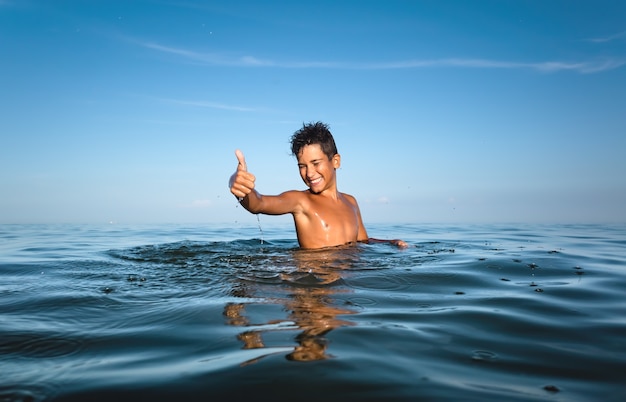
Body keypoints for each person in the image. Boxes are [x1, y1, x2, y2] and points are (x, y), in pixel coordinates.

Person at [229, 121, 408, 249]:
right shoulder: (300, 201)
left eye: (316, 163)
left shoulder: (351, 202)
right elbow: (259, 203)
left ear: (335, 161)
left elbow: (362, 242)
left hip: (345, 286)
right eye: (302, 166)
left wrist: (390, 243)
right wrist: (240, 186)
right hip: (312, 287)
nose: (309, 173)